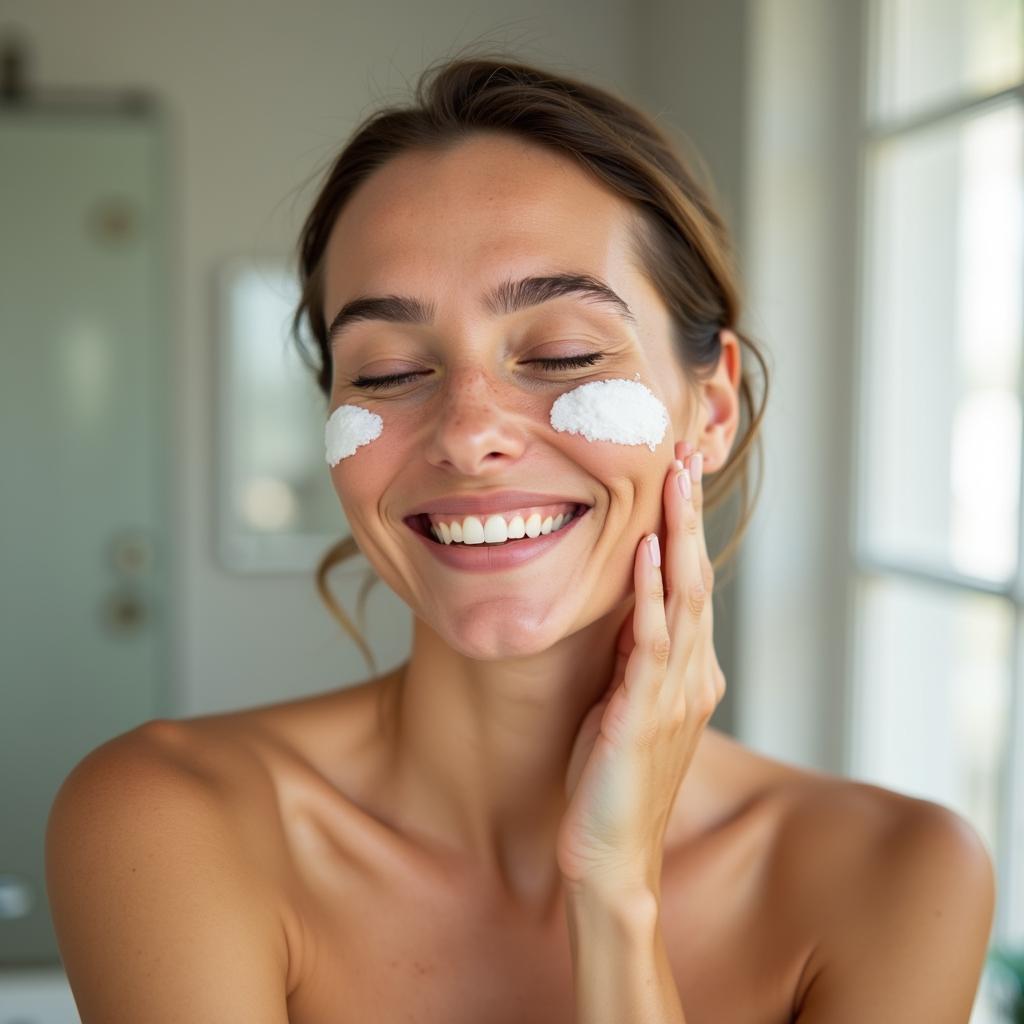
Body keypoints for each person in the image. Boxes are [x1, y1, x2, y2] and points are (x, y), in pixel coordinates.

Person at [46, 53, 995, 1024]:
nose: (466, 431)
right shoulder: (167, 821)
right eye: (385, 371)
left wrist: (616, 898)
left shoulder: (896, 879)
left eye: (562, 354)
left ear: (708, 411)